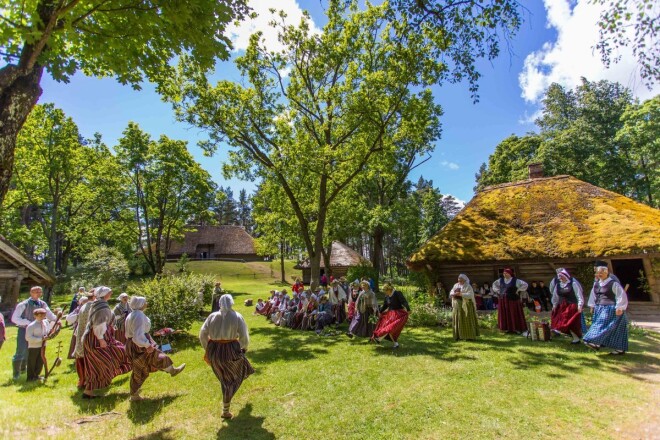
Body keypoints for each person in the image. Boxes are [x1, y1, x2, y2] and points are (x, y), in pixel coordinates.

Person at [200, 294, 254, 419]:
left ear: (219, 303)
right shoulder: (237, 316)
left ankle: (226, 407)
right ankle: (225, 410)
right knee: (230, 380)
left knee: (226, 378)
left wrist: (207, 349)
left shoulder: (212, 316)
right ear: (231, 303)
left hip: (215, 351)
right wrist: (243, 348)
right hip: (230, 349)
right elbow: (244, 336)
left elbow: (202, 334)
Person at [125, 296, 185, 401]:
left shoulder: (132, 314)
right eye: (145, 302)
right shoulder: (138, 315)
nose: (146, 304)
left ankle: (134, 395)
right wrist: (147, 345)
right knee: (146, 365)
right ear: (140, 304)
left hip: (136, 344)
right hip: (140, 345)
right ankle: (172, 370)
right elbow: (138, 335)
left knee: (141, 368)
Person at [82, 286, 131, 398]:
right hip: (97, 339)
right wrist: (101, 339)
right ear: (104, 294)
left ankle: (88, 392)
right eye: (109, 292)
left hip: (97, 338)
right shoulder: (102, 307)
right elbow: (99, 324)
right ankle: (88, 392)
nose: (111, 293)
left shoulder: (98, 303)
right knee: (104, 361)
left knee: (96, 364)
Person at [11, 286, 56, 380]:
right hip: (24, 329)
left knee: (33, 351)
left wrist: (56, 320)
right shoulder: (24, 304)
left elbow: (49, 314)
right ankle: (16, 374)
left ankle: (28, 371)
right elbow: (14, 318)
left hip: (39, 330)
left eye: (40, 292)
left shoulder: (42, 304)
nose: (39, 293)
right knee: (21, 350)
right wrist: (28, 323)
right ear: (31, 293)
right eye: (36, 292)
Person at [583, 261, 629, 355]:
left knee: (602, 325)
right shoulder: (597, 283)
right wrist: (592, 305)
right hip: (600, 307)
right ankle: (613, 347)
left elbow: (620, 295)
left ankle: (593, 340)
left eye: (601, 272)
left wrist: (619, 307)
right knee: (612, 328)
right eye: (597, 272)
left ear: (606, 272)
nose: (599, 274)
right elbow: (594, 294)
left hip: (611, 308)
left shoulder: (613, 282)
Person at [550, 269, 585, 344]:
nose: (560, 278)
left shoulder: (573, 284)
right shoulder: (558, 285)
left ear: (565, 276)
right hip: (562, 306)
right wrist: (554, 305)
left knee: (570, 322)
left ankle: (576, 338)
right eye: (559, 277)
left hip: (572, 305)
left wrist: (580, 305)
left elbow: (579, 295)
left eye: (561, 276)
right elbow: (555, 296)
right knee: (559, 321)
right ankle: (571, 336)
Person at [372, 283, 411, 348]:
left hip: (398, 314)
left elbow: (404, 301)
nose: (384, 293)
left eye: (385, 291)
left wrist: (408, 309)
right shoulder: (387, 296)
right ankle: (393, 343)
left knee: (390, 328)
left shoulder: (397, 293)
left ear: (389, 289)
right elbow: (385, 305)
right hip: (390, 314)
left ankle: (380, 339)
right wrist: (380, 312)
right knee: (386, 327)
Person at [492, 269, 528, 335]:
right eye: (504, 273)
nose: (504, 274)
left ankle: (516, 328)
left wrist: (518, 289)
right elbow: (494, 285)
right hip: (503, 299)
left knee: (514, 312)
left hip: (513, 300)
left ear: (510, 273)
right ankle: (506, 328)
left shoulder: (516, 280)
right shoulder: (500, 280)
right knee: (504, 313)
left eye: (506, 273)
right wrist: (498, 290)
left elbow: (525, 285)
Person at [73, 289, 96, 388]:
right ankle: (87, 381)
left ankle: (83, 380)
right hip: (88, 337)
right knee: (88, 360)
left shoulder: (85, 305)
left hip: (81, 335)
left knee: (81, 359)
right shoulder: (92, 307)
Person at [449, 274, 480, 341]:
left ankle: (469, 336)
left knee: (467, 320)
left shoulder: (468, 286)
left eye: (461, 279)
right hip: (457, 306)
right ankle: (459, 336)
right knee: (458, 320)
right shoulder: (456, 285)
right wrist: (453, 294)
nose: (459, 280)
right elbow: (451, 291)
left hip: (467, 306)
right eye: (458, 279)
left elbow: (470, 295)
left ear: (464, 279)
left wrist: (461, 294)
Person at [25, 308, 51, 381]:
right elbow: (28, 337)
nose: (42, 317)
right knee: (32, 361)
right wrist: (40, 339)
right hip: (34, 346)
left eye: (43, 315)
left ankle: (36, 375)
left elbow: (47, 331)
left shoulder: (45, 323)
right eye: (40, 316)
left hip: (43, 345)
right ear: (35, 316)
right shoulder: (31, 325)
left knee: (40, 361)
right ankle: (30, 377)